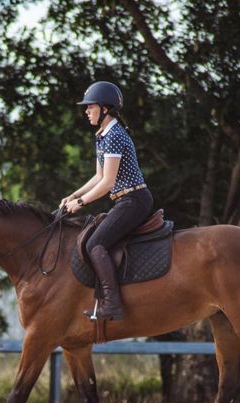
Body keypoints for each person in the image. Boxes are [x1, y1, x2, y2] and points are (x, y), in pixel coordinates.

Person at [59, 81, 154, 321]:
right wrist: (74, 195)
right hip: (124, 201)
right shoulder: (103, 135)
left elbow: (108, 183)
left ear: (105, 109)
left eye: (90, 107)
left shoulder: (114, 136)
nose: (86, 111)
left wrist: (81, 204)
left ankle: (112, 304)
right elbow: (98, 176)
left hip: (134, 200)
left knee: (95, 244)